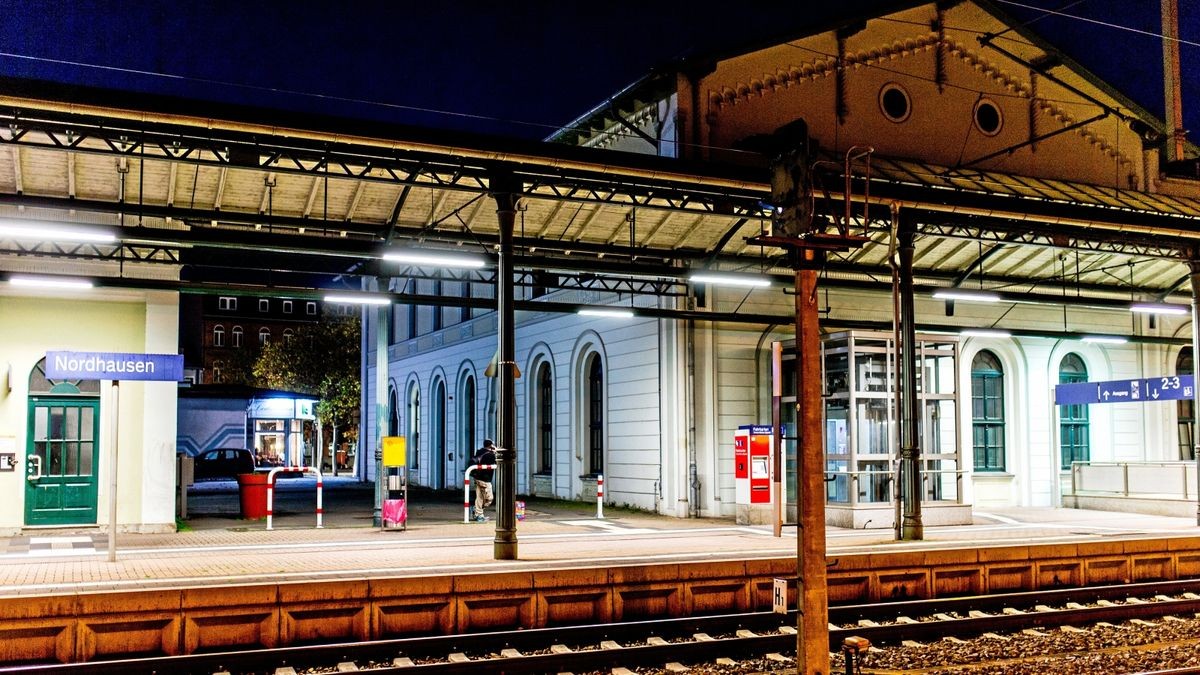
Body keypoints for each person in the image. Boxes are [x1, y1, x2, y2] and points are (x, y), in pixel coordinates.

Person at [470, 439, 496, 522]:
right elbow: (498, 461)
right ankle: (477, 510)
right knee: (489, 498)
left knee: (480, 497)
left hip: (477, 477)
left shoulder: (479, 452)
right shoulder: (490, 455)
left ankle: (479, 514)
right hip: (485, 479)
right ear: (491, 445)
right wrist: (495, 451)